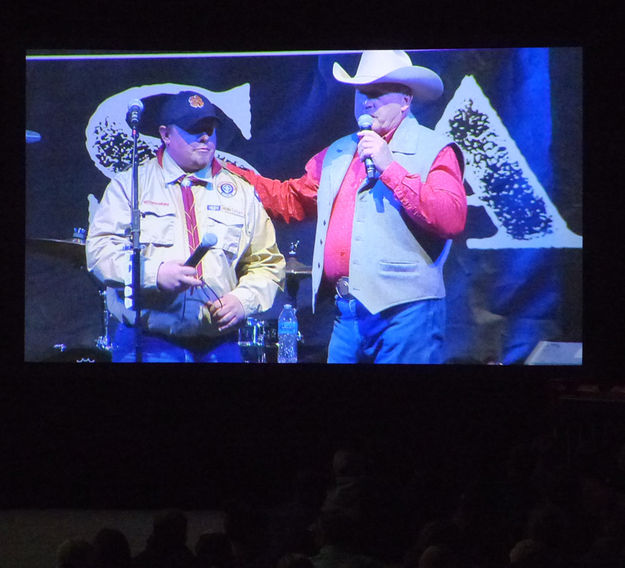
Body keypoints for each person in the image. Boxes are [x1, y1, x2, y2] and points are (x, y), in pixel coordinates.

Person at [226, 50, 467, 364]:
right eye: (361, 93)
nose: (367, 101)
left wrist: (390, 168)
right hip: (347, 314)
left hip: (406, 313)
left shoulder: (434, 149)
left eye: (377, 94)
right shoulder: (340, 152)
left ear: (406, 100)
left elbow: (450, 219)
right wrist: (231, 172)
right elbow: (292, 199)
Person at [87, 90, 285, 362]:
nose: (205, 137)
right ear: (165, 135)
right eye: (194, 130)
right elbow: (99, 253)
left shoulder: (241, 193)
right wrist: (154, 274)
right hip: (148, 339)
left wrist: (243, 300)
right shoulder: (129, 186)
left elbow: (267, 263)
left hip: (219, 343)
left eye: (210, 129)